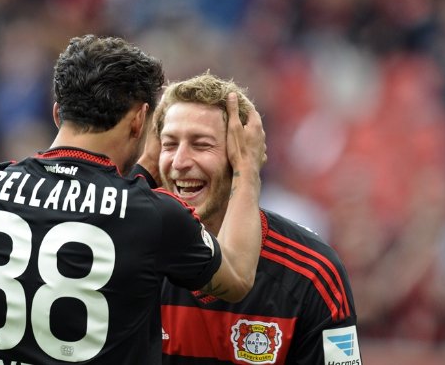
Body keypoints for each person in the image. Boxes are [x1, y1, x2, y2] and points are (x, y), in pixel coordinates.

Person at [0, 35, 266, 364]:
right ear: (138, 120)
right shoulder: (151, 215)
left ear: (57, 112)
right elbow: (237, 276)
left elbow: (75, 209)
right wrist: (246, 168)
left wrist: (145, 168)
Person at [139, 72, 362, 364]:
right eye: (169, 144)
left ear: (242, 155)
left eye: (201, 144)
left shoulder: (312, 273)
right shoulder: (129, 254)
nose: (179, 162)